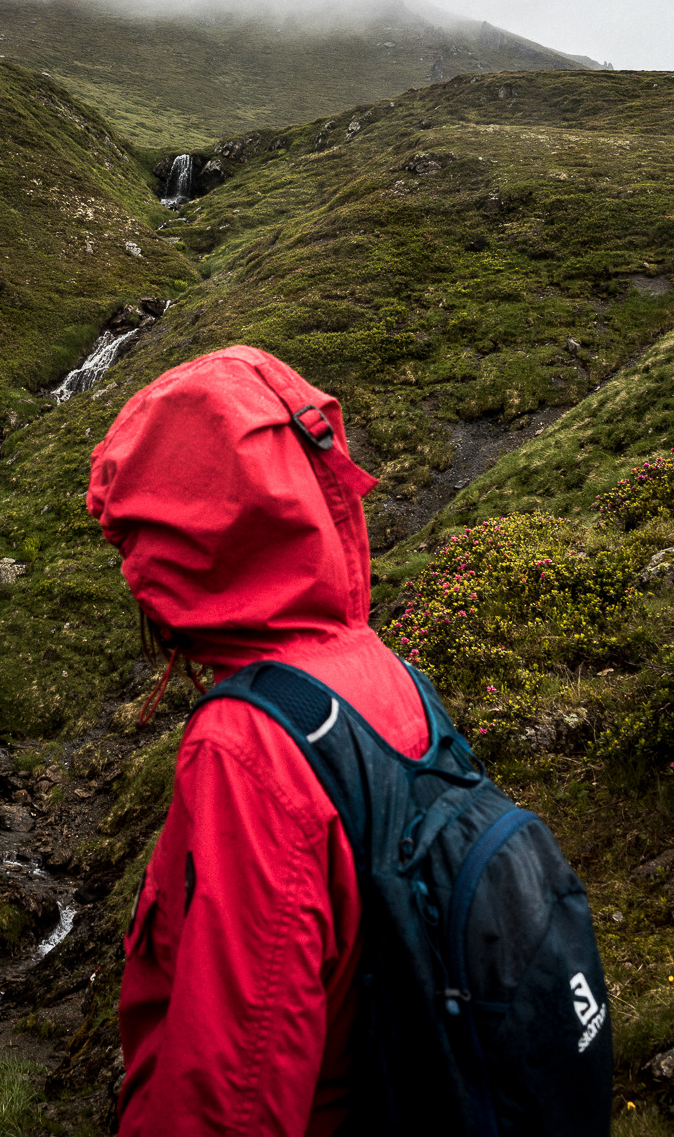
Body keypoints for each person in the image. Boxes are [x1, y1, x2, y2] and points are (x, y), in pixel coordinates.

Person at [87, 345, 429, 1137]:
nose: (129, 560)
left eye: (136, 534)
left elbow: (235, 1091)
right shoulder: (380, 670)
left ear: (189, 532)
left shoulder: (246, 747)